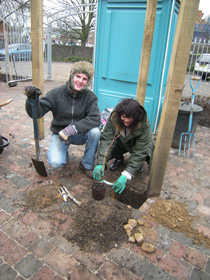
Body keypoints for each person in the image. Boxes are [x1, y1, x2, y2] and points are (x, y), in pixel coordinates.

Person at [24, 61, 101, 178]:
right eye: (78, 76)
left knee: (95, 132)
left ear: (88, 82)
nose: (80, 81)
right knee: (56, 162)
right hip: (60, 134)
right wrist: (31, 100)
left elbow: (95, 118)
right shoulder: (56, 94)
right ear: (72, 76)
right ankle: (63, 153)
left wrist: (73, 129)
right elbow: (36, 113)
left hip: (79, 134)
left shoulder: (90, 97)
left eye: (84, 79)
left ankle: (87, 164)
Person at [93, 98, 154, 193]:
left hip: (135, 144)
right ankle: (119, 159)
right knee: (112, 147)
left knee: (145, 152)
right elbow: (107, 141)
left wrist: (126, 174)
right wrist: (101, 163)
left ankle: (138, 164)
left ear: (137, 117)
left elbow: (140, 150)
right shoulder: (114, 119)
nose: (126, 121)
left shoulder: (143, 125)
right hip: (122, 141)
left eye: (130, 118)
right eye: (124, 117)